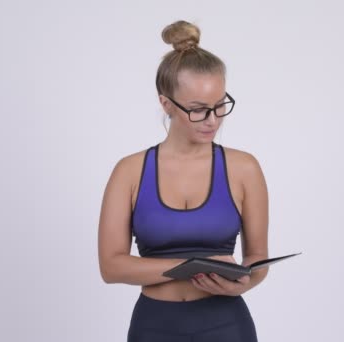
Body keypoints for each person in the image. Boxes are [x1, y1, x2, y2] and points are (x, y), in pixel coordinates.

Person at [98, 20, 269, 342]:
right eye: (198, 110)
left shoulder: (244, 168)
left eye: (220, 106)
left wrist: (248, 279)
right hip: (154, 326)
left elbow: (258, 256)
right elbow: (111, 267)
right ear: (166, 104)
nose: (213, 120)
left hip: (227, 326)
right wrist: (194, 264)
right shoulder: (130, 171)